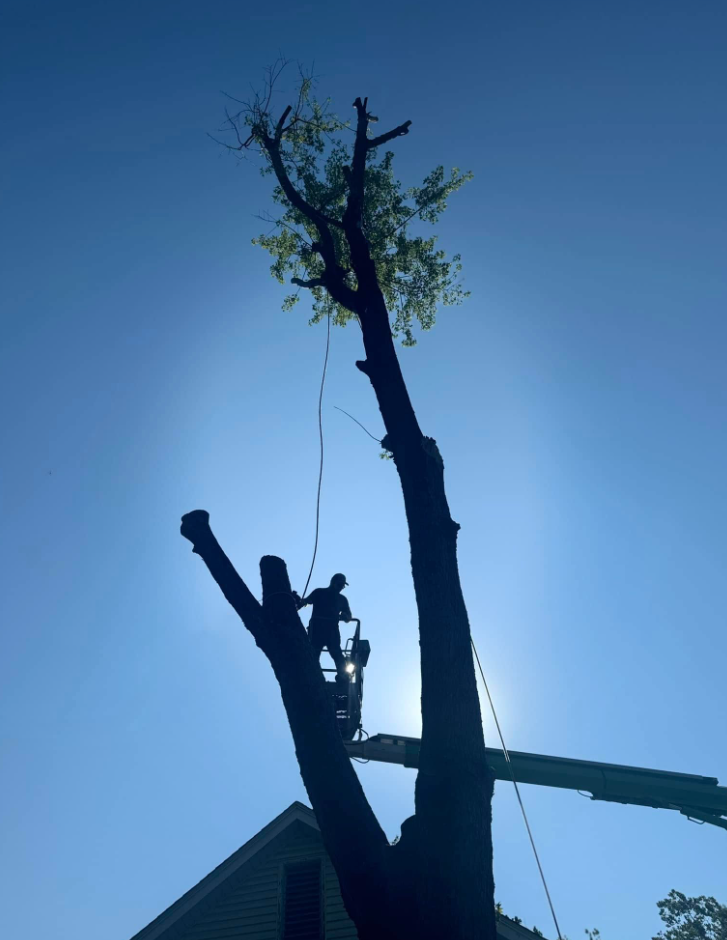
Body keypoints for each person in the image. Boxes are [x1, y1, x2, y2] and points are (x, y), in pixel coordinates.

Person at [296, 574, 352, 680]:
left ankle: (342, 675)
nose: (341, 587)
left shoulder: (342, 599)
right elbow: (306, 602)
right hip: (317, 629)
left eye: (342, 586)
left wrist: (345, 616)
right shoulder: (319, 592)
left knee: (337, 654)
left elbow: (348, 616)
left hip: (332, 630)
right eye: (340, 584)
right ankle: (312, 675)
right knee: (314, 653)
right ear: (333, 582)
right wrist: (297, 604)